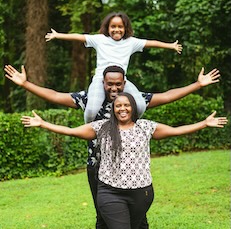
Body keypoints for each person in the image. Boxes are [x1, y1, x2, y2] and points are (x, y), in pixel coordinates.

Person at [4, 64, 220, 229]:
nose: (114, 88)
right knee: (103, 216)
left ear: (124, 84)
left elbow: (166, 96)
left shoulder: (134, 102)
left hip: (135, 177)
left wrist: (198, 85)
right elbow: (55, 96)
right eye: (110, 84)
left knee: (137, 218)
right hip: (99, 169)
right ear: (103, 83)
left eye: (118, 84)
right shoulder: (89, 99)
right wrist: (25, 84)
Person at [45, 12, 183, 122]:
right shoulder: (100, 39)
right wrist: (58, 35)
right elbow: (79, 37)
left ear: (125, 28)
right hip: (101, 80)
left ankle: (128, 127)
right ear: (107, 28)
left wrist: (170, 45)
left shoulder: (131, 42)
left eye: (120, 27)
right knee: (92, 110)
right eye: (113, 27)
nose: (116, 30)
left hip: (122, 81)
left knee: (140, 105)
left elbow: (151, 43)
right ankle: (88, 129)